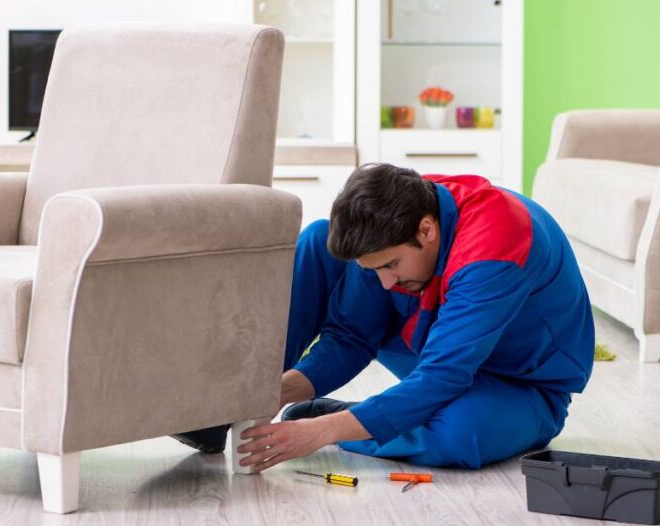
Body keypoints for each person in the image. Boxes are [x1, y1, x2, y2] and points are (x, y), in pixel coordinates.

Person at [179, 164, 595, 472]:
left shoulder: (495, 245)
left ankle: (352, 418)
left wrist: (323, 433)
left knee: (459, 434)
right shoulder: (400, 211)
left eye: (391, 265)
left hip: (519, 386)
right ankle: (230, 406)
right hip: (434, 348)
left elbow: (443, 376)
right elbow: (352, 336)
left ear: (427, 230)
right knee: (318, 241)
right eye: (376, 269)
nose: (385, 283)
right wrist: (277, 391)